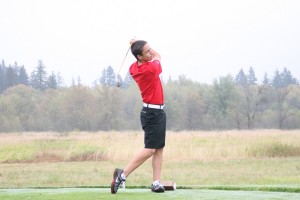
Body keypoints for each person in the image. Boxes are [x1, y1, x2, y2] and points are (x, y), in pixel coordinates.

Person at [111, 39, 167, 194]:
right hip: (152, 113)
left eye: (150, 49)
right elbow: (158, 55)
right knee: (150, 150)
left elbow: (149, 55)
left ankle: (156, 182)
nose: (150, 52)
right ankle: (122, 175)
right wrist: (138, 43)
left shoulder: (134, 67)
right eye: (147, 51)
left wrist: (138, 45)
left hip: (157, 112)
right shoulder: (150, 69)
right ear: (140, 57)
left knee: (159, 148)